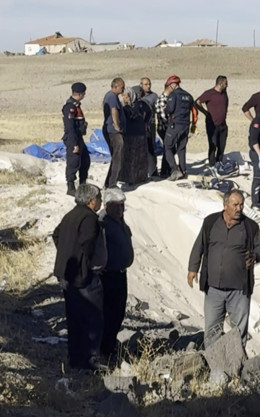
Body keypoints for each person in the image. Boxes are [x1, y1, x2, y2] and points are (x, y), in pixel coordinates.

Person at [187, 190, 260, 348]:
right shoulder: (211, 222)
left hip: (239, 290)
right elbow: (199, 245)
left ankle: (237, 365)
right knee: (212, 330)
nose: (239, 208)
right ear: (225, 205)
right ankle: (211, 363)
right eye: (235, 204)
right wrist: (193, 268)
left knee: (238, 332)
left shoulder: (250, 227)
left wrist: (255, 255)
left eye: (241, 204)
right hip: (213, 288)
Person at [52, 184, 107, 371]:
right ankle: (90, 359)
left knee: (74, 318)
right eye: (99, 197)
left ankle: (75, 359)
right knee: (92, 317)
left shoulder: (70, 215)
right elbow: (87, 244)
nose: (100, 201)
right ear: (91, 201)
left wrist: (66, 253)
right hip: (83, 277)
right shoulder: (89, 218)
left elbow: (56, 235)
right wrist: (88, 264)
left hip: (66, 274)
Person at [99, 188, 133, 359]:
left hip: (121, 274)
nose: (121, 209)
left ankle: (110, 346)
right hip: (108, 275)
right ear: (107, 206)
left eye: (122, 205)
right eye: (117, 206)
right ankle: (104, 349)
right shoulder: (102, 222)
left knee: (118, 312)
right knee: (108, 314)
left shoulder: (120, 221)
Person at [164, 75, 198, 181]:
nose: (169, 88)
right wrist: (193, 124)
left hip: (175, 125)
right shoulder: (188, 96)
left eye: (169, 85)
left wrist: (165, 109)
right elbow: (195, 112)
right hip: (186, 125)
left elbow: (169, 109)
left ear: (173, 84)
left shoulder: (174, 95)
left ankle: (175, 170)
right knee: (181, 149)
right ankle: (183, 170)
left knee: (167, 146)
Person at [62, 82, 89, 196]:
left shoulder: (76, 106)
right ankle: (71, 187)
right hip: (73, 139)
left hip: (79, 138)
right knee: (73, 162)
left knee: (85, 161)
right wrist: (74, 144)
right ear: (79, 93)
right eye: (83, 93)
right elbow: (70, 128)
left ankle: (83, 185)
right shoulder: (70, 107)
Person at [196, 76, 230, 167]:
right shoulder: (209, 93)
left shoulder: (224, 94)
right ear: (220, 83)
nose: (227, 85)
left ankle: (219, 164)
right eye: (226, 83)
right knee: (213, 145)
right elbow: (197, 102)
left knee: (221, 146)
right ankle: (212, 164)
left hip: (223, 124)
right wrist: (205, 112)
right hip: (212, 124)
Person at [120, 87, 151, 186]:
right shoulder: (141, 104)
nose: (123, 98)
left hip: (132, 134)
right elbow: (149, 113)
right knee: (139, 157)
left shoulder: (127, 108)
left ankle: (131, 178)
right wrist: (145, 123)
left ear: (130, 96)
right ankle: (140, 177)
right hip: (139, 132)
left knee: (132, 157)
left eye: (125, 95)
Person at [103, 78, 126, 189]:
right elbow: (114, 111)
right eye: (122, 87)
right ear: (115, 86)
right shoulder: (112, 96)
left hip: (111, 130)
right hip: (113, 132)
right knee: (118, 157)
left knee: (115, 157)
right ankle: (112, 184)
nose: (123, 89)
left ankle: (109, 182)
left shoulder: (112, 96)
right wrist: (116, 125)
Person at [137, 78, 160, 177]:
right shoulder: (137, 95)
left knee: (151, 147)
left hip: (150, 125)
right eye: (146, 84)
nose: (148, 86)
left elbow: (158, 109)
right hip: (138, 126)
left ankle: (153, 170)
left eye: (149, 84)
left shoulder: (154, 96)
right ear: (141, 85)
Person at [155, 80, 173, 177]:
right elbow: (163, 116)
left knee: (169, 148)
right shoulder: (162, 99)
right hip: (164, 127)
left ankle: (167, 169)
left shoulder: (168, 98)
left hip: (165, 127)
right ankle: (165, 171)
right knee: (168, 148)